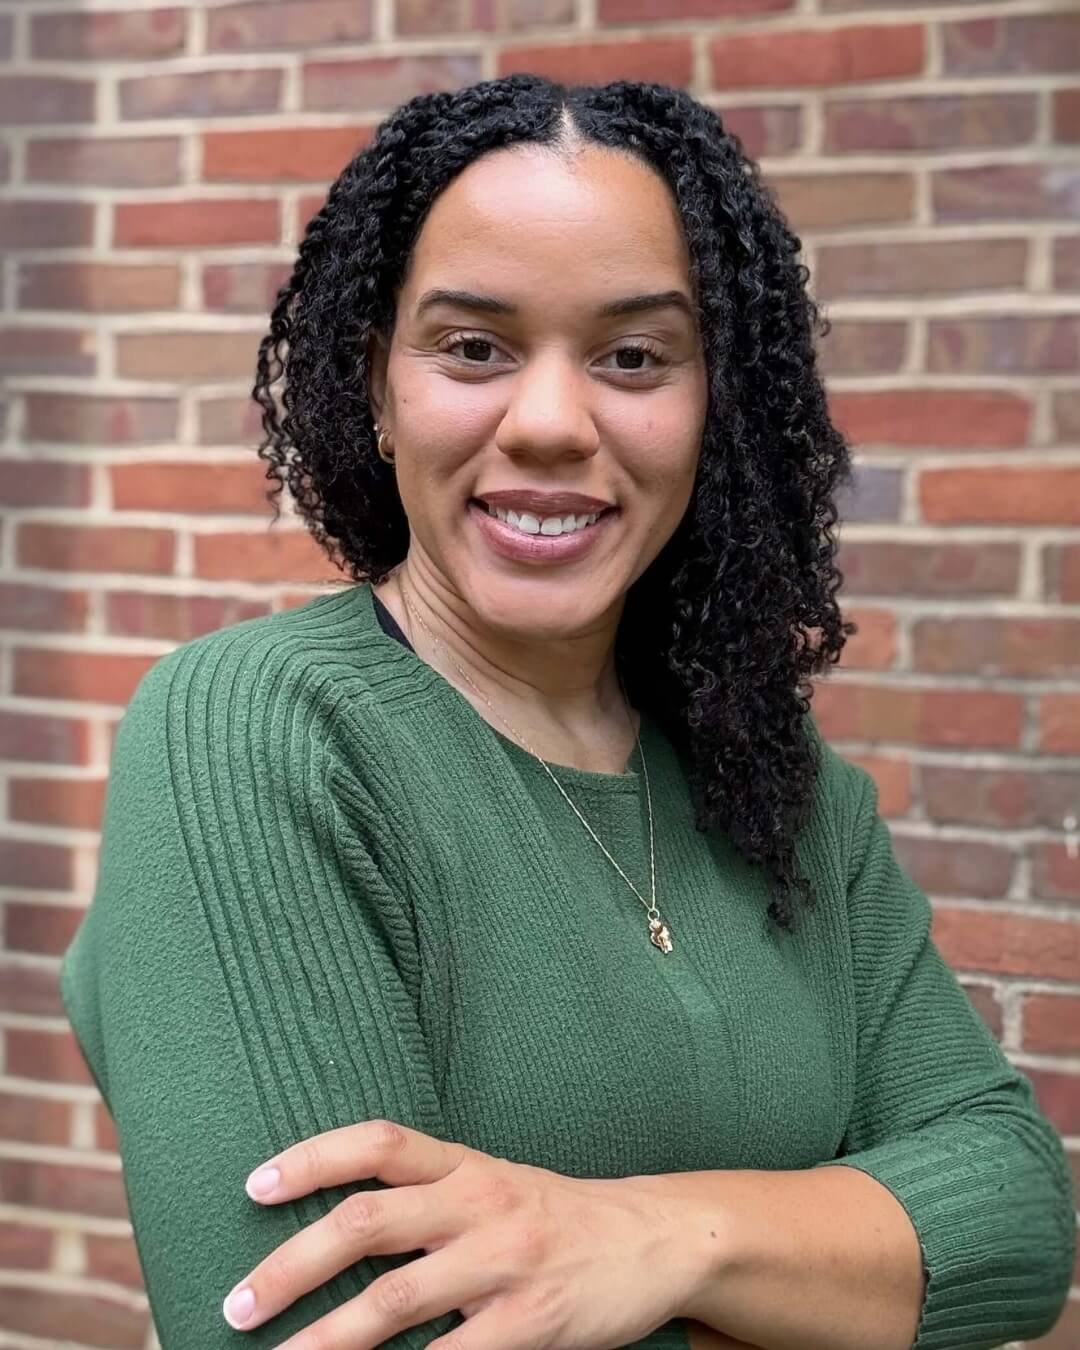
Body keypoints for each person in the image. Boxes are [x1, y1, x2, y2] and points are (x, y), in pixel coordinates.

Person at [59, 74, 1075, 1350]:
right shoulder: (259, 735)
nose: (549, 423)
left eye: (634, 357)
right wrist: (833, 1278)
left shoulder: (780, 782)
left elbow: (1016, 1211)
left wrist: (652, 1242)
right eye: (473, 348)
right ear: (378, 390)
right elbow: (319, 1330)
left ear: (714, 410)